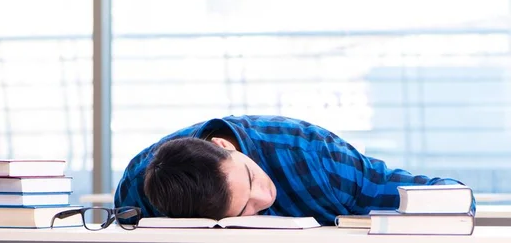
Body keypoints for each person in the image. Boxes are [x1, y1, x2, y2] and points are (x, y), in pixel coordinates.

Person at [114, 115, 474, 225]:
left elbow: (449, 199)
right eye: (246, 210)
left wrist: (455, 201)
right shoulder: (137, 191)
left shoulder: (314, 157)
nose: (264, 196)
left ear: (224, 147)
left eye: (251, 178)